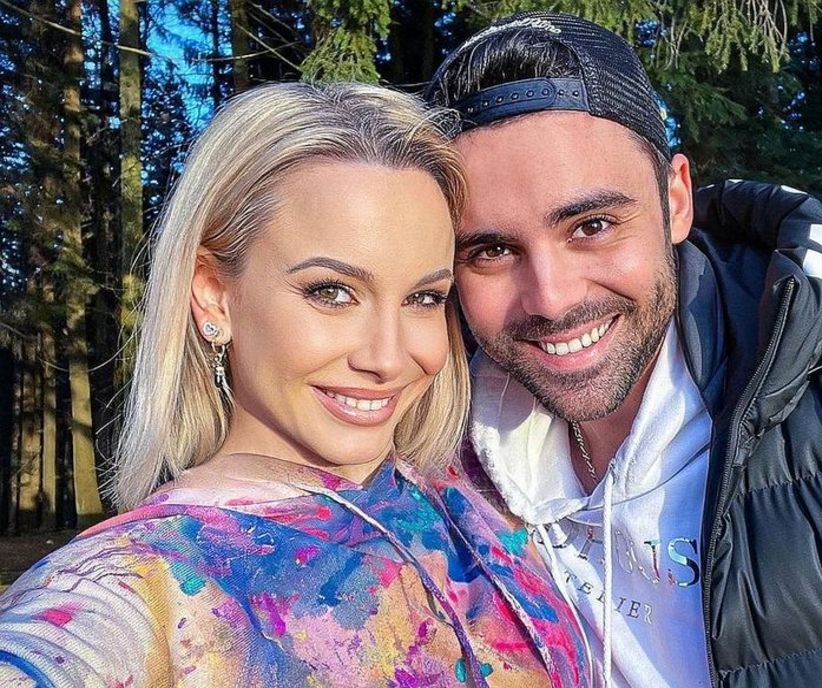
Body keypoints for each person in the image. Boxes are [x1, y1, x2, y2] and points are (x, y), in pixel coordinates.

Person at [424, 11, 822, 688]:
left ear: (675, 200)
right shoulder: (439, 479)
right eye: (492, 250)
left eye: (592, 225)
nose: (550, 298)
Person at [0, 82, 590, 688]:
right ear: (214, 294)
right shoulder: (139, 584)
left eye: (423, 297)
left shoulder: (480, 491)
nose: (388, 359)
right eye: (331, 292)